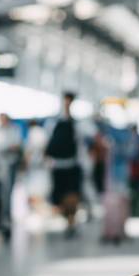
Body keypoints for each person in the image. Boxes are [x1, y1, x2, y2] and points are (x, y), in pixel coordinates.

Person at [46, 92, 83, 238]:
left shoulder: (76, 124)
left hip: (72, 165)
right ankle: (67, 218)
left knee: (72, 196)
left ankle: (71, 221)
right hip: (57, 166)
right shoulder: (53, 122)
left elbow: (80, 145)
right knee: (60, 198)